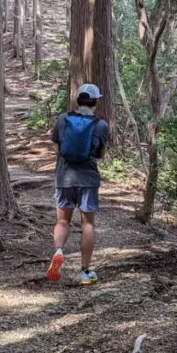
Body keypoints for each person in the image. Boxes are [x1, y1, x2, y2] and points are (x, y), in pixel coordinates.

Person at [46, 83, 109, 285]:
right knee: (87, 223)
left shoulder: (63, 119)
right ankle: (85, 271)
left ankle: (58, 252)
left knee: (62, 221)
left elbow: (57, 145)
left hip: (64, 177)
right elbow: (101, 154)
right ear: (95, 102)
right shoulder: (101, 125)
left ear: (77, 100)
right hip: (88, 179)